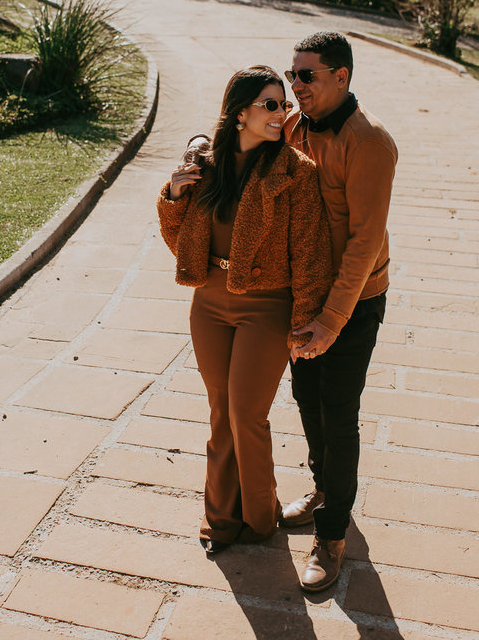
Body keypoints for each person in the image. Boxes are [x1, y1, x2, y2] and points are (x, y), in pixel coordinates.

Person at [157, 65, 331, 554]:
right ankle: (219, 520)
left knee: (245, 413)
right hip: (209, 301)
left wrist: (305, 324)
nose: (283, 114)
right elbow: (180, 239)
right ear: (239, 113)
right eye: (271, 105)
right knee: (220, 412)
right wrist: (173, 193)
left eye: (285, 105)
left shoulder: (296, 171)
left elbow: (312, 253)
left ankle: (259, 517)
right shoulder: (206, 166)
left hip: (267, 306)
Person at [280, 31, 398, 592]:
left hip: (354, 298)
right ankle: (324, 486)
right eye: (292, 74)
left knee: (337, 407)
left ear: (342, 76)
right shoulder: (295, 123)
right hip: (302, 290)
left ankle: (332, 534)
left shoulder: (369, 141)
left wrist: (331, 320)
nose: (295, 85)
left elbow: (366, 239)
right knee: (305, 396)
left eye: (307, 75)